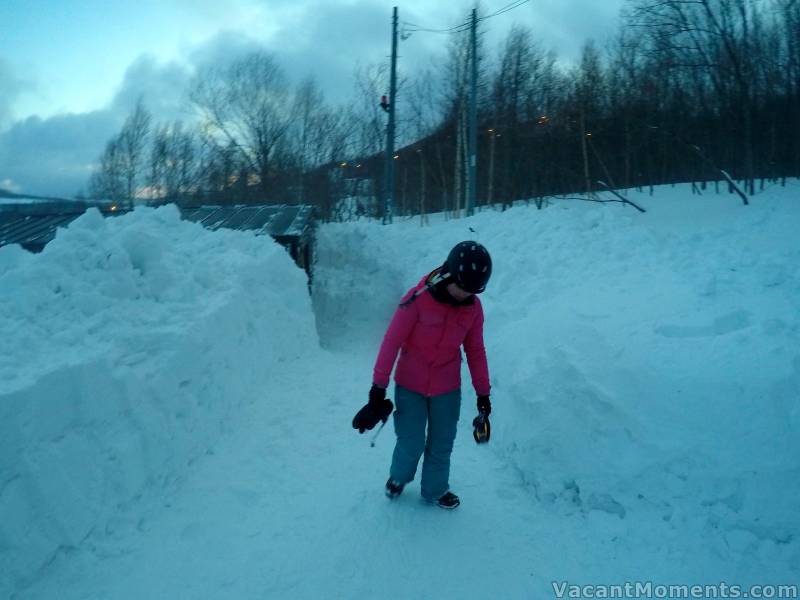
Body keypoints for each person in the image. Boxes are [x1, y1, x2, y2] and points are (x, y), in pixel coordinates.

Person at [352, 241, 493, 509]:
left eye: (473, 291)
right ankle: (399, 477)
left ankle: (435, 489)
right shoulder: (416, 300)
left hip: (447, 388)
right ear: (449, 274)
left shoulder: (473, 308)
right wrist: (377, 390)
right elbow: (391, 342)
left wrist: (483, 394)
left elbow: (475, 350)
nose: (466, 295)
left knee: (442, 442)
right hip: (410, 385)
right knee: (411, 440)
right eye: (463, 288)